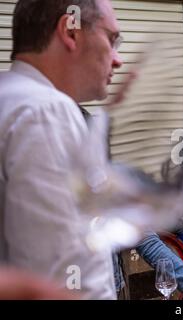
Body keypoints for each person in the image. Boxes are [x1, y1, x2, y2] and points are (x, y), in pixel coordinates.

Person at [0, 0, 123, 299]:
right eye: (111, 39)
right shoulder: (46, 111)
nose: (118, 59)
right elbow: (68, 279)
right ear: (70, 31)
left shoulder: (9, 97)